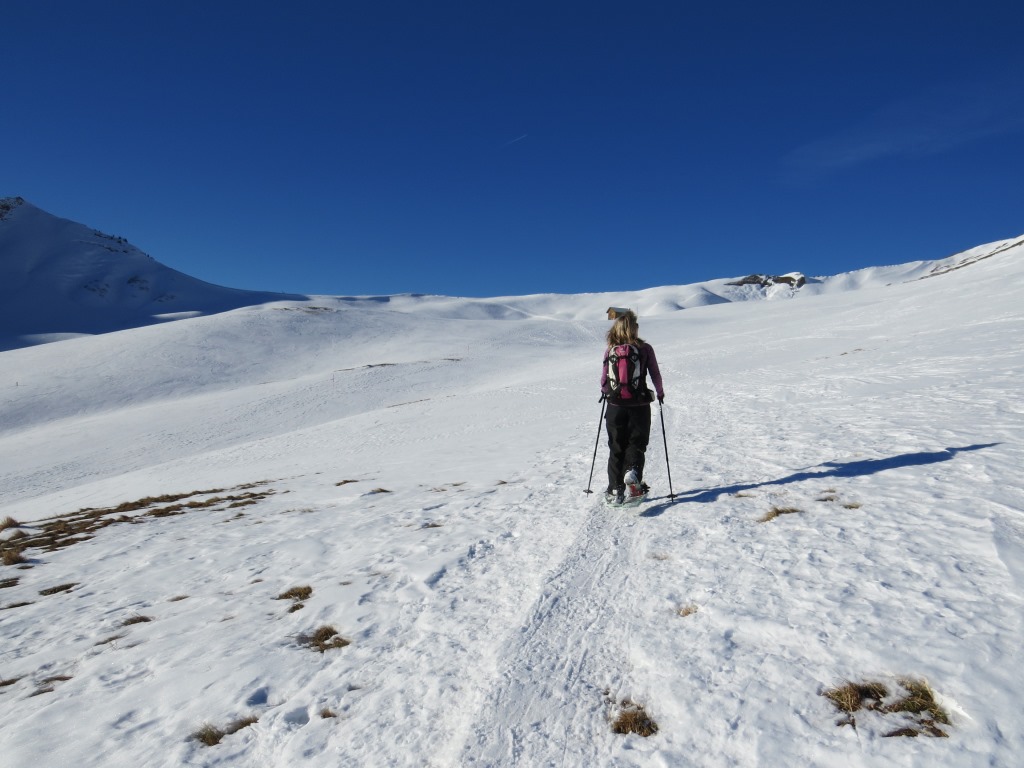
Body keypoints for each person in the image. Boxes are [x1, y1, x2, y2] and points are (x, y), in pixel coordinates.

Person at [600, 310, 665, 504]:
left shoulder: (610, 349)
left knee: (616, 447)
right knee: (636, 443)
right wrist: (660, 393)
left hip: (615, 405)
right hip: (639, 404)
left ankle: (615, 490)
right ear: (634, 329)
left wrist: (607, 392)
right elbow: (655, 374)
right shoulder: (645, 349)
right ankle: (633, 473)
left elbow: (604, 380)